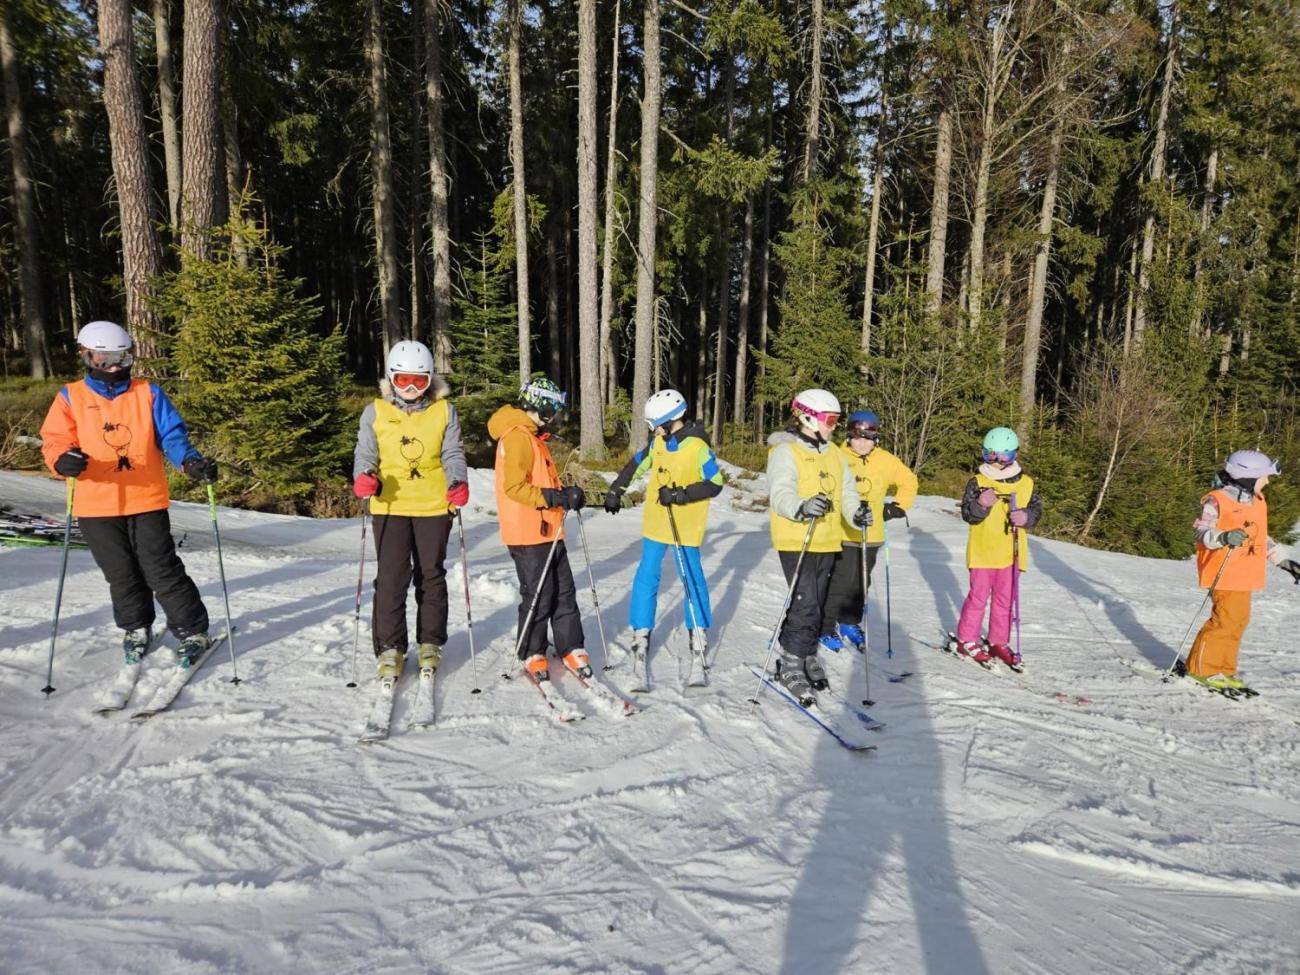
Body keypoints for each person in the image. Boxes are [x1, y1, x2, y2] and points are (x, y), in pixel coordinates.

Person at [38, 321, 218, 668]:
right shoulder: (70, 396)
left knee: (160, 568)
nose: (115, 366)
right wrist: (62, 460)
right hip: (95, 502)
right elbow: (55, 441)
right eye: (105, 359)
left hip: (145, 498)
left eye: (121, 357)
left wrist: (190, 462)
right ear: (86, 356)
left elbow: (172, 436)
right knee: (120, 572)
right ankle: (136, 626)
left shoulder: (147, 392)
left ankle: (192, 629)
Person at [352, 340, 468, 682]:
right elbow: (365, 453)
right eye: (403, 381)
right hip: (390, 505)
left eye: (420, 380)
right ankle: (390, 647)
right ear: (391, 378)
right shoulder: (375, 411)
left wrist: (457, 480)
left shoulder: (444, 411)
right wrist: (363, 476)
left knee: (431, 574)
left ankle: (430, 641)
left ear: (430, 379)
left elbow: (452, 453)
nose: (413, 388)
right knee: (391, 577)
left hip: (433, 504)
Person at [603, 389, 724, 663]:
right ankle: (641, 628)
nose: (651, 429)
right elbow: (635, 465)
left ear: (670, 420)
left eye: (653, 424)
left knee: (691, 577)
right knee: (647, 574)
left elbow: (715, 484)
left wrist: (682, 494)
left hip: (686, 525)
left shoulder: (697, 447)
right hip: (657, 522)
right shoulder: (658, 444)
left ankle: (698, 629)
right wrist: (616, 490)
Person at [765, 389, 869, 700]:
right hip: (797, 538)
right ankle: (791, 661)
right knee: (806, 602)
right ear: (808, 417)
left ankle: (806, 652)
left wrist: (856, 513)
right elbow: (780, 492)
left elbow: (848, 493)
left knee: (819, 603)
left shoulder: (835, 453)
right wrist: (801, 506)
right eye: (831, 420)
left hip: (827, 539)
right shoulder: (785, 452)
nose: (835, 426)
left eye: (837, 420)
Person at [486, 378, 588, 682]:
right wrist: (554, 497)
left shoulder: (533, 436)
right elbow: (515, 487)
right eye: (553, 406)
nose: (555, 413)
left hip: (549, 528)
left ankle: (571, 645)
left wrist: (565, 494)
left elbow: (542, 481)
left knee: (564, 592)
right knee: (539, 595)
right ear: (540, 404)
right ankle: (532, 650)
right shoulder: (517, 436)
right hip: (528, 532)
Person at [1187, 450, 1300, 691]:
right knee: (1225, 621)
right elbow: (1200, 531)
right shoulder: (1217, 500)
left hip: (1245, 573)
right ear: (1248, 478)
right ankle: (1202, 669)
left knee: (1237, 622)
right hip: (1225, 571)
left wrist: (1285, 562)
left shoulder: (1256, 501)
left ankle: (1223, 670)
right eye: (1264, 477)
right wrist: (1224, 536)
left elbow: (1261, 538)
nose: (1268, 481)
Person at [821, 409, 918, 653]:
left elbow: (909, 481)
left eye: (868, 437)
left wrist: (897, 506)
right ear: (849, 435)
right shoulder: (837, 455)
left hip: (871, 534)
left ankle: (850, 622)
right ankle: (825, 626)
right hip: (841, 533)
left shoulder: (886, 460)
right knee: (840, 581)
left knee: (861, 582)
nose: (862, 443)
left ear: (876, 438)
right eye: (857, 437)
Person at [954, 426, 1042, 667]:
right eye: (989, 455)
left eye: (1003, 456)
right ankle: (967, 639)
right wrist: (981, 504)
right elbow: (968, 515)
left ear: (1014, 455)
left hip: (1011, 554)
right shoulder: (978, 481)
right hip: (983, 552)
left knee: (1005, 599)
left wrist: (1025, 517)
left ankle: (998, 640)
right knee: (978, 597)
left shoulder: (1026, 483)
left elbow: (1036, 511)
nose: (996, 462)